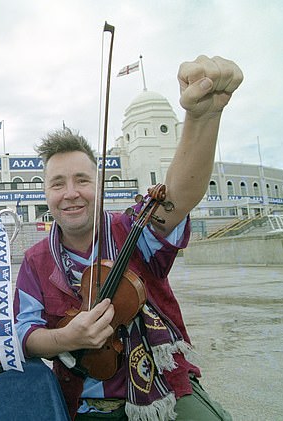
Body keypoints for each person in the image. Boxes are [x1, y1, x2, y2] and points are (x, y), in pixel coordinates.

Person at [14, 55, 243, 420]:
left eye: (82, 180)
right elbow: (25, 336)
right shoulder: (35, 260)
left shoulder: (133, 228)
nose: (70, 193)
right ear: (46, 193)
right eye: (58, 183)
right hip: (83, 405)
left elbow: (177, 198)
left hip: (164, 391)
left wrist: (202, 118)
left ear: (100, 187)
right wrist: (67, 339)